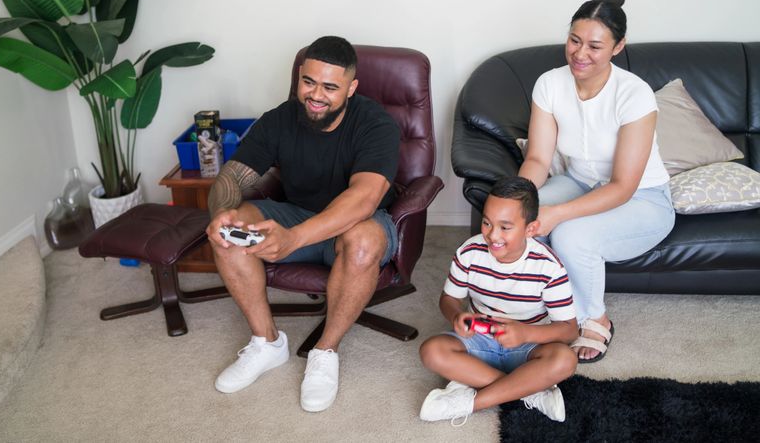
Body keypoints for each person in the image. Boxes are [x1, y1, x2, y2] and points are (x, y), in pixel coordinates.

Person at [205, 36, 400, 412]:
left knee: (362, 241)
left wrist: (294, 238)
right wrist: (222, 214)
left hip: (358, 225)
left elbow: (364, 199)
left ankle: (325, 352)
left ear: (351, 88)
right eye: (309, 82)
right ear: (298, 77)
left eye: (330, 87)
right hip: (296, 214)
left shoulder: (376, 124)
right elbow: (231, 179)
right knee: (233, 225)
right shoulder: (279, 119)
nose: (316, 95)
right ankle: (266, 343)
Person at [518, 0, 676, 363]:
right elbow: (539, 157)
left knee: (571, 233)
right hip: (578, 181)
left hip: (643, 199)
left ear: (618, 47)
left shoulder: (634, 94)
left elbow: (622, 186)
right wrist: (518, 198)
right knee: (526, 218)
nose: (579, 54)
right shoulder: (549, 84)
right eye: (574, 40)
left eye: (594, 46)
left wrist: (560, 214)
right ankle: (535, 305)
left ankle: (593, 317)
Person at [419, 177, 578, 425]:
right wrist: (456, 316)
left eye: (505, 227)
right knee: (431, 351)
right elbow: (449, 298)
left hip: (527, 345)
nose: (493, 235)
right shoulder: (469, 252)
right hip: (479, 338)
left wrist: (524, 334)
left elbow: (569, 330)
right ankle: (530, 390)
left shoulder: (549, 267)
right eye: (486, 223)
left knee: (565, 360)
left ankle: (471, 402)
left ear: (531, 229)